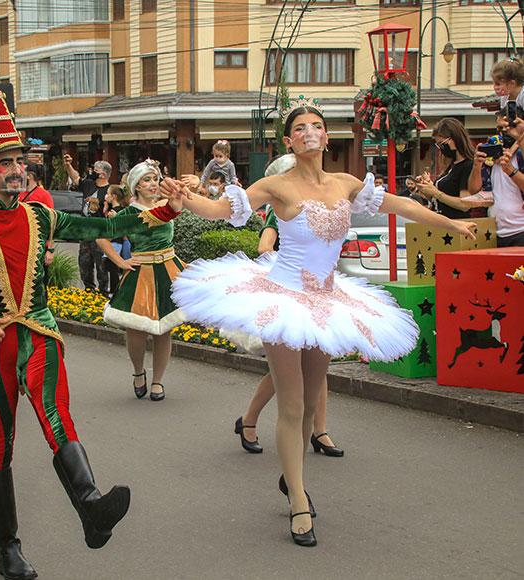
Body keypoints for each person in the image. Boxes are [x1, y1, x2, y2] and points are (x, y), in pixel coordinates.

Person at [164, 100, 477, 547]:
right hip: (284, 298)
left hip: (328, 302)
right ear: (290, 141)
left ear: (327, 137)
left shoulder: (347, 184)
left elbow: (402, 204)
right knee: (292, 406)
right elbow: (220, 210)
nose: (310, 131)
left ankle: (291, 475)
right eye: (300, 127)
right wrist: (185, 199)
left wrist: (449, 220)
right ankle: (297, 499)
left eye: (317, 125)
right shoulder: (276, 185)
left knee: (311, 405)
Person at [0, 87, 182, 579]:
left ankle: (91, 507)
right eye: (5, 162)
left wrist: (167, 209)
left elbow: (107, 223)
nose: (17, 170)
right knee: (1, 443)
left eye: (21, 160)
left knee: (57, 416)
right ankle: (8, 550)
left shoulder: (40, 214)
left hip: (40, 333)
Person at [224, 155, 343, 457]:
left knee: (316, 366)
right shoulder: (281, 210)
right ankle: (251, 419)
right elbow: (265, 246)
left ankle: (318, 429)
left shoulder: (327, 200)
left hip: (322, 295)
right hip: (290, 297)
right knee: (289, 374)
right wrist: (290, 271)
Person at [96, 160, 186, 402]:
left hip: (169, 269)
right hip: (141, 272)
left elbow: (192, 196)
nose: (152, 184)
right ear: (136, 186)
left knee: (164, 330)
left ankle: (158, 380)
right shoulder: (127, 214)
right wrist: (120, 261)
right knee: (136, 330)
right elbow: (101, 236)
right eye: (146, 180)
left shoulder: (167, 206)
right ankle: (138, 372)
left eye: (154, 179)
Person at [462, 106, 524, 247]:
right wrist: (477, 166)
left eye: (507, 127)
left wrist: (510, 170)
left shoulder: (520, 155)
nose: (504, 132)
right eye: (499, 129)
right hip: (496, 231)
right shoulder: (495, 155)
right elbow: (474, 190)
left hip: (521, 231)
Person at [412, 118, 476, 220]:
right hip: (442, 222)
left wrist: (436, 193)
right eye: (438, 145)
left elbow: (465, 205)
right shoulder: (451, 166)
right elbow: (440, 200)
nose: (441, 148)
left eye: (442, 144)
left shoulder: (468, 166)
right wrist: (427, 189)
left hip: (456, 224)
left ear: (455, 138)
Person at [64, 154, 111, 291]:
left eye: (95, 170)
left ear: (102, 174)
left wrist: (98, 203)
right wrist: (68, 165)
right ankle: (89, 290)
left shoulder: (110, 190)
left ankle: (103, 293)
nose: (92, 172)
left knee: (101, 265)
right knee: (84, 264)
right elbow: (75, 178)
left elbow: (115, 210)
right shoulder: (89, 184)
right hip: (85, 232)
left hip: (100, 233)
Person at [100, 184, 132, 296]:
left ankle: (114, 290)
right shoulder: (111, 210)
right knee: (110, 265)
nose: (106, 196)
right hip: (113, 241)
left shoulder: (119, 211)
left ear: (113, 196)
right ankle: (115, 288)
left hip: (116, 242)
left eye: (108, 194)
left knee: (111, 265)